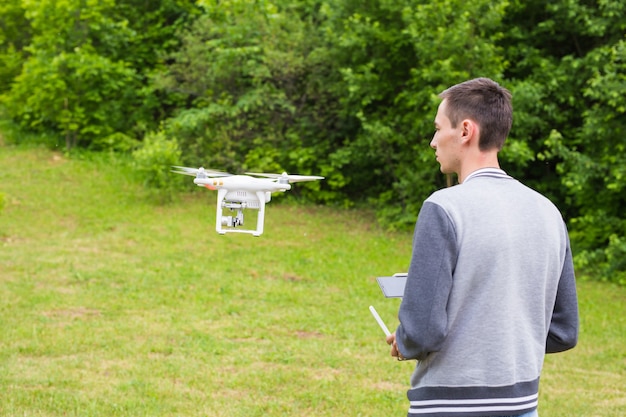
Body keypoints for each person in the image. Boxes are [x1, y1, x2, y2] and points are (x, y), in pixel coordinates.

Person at [385, 78, 579, 417]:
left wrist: (406, 341)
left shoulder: (444, 207)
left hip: (447, 406)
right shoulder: (548, 212)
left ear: (465, 131)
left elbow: (423, 329)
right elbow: (563, 331)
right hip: (522, 405)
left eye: (437, 128)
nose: (433, 141)